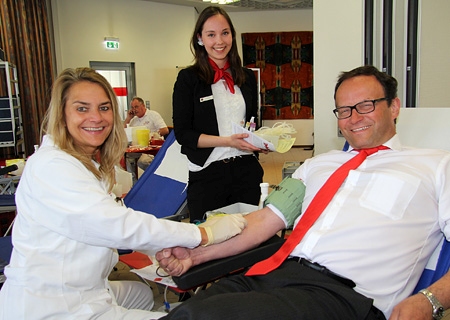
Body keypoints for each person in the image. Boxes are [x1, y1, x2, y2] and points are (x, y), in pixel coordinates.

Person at [156, 65, 450, 320]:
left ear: (394, 106)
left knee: (205, 316)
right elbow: (263, 221)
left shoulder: (436, 166)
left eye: (366, 105)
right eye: (344, 110)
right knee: (190, 311)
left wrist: (430, 299)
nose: (353, 118)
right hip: (274, 276)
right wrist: (196, 255)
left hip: (346, 296)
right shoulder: (318, 165)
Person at [0, 67, 248, 320]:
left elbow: (114, 224)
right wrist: (203, 234)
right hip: (55, 307)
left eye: (104, 108)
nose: (96, 117)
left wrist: (166, 247)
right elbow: (116, 226)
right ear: (62, 115)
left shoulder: (81, 162)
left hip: (83, 286)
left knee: (140, 293)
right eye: (82, 108)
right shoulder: (52, 167)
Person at [173, 6, 265, 223]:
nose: (219, 41)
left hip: (246, 170)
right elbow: (184, 134)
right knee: (208, 239)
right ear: (200, 39)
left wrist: (259, 141)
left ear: (232, 35)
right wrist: (228, 142)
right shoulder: (188, 79)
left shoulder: (247, 77)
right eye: (211, 35)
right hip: (207, 172)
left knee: (249, 236)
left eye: (225, 33)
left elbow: (253, 122)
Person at [124, 97, 169, 177]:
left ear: (143, 106)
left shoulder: (153, 115)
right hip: (138, 147)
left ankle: (154, 176)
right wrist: (128, 118)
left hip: (152, 148)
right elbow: (123, 132)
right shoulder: (134, 120)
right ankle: (134, 179)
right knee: (123, 157)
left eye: (136, 107)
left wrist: (153, 134)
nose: (134, 110)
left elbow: (165, 130)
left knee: (143, 161)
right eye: (132, 107)